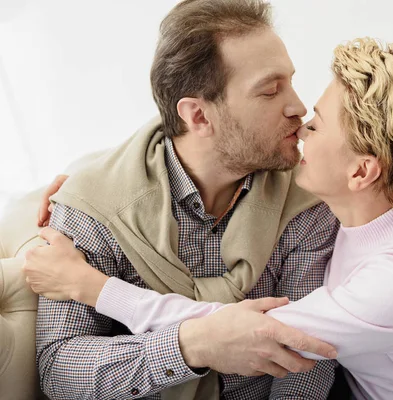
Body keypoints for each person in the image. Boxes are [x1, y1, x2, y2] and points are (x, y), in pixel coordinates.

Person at [27, 35, 393, 399]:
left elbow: (241, 334)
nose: (298, 118)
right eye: (274, 90)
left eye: (316, 126)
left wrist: (91, 287)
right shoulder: (385, 200)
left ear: (362, 172)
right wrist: (84, 185)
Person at [26, 0, 343, 399]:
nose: (299, 107)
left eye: (291, 81)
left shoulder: (310, 204)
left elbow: (306, 366)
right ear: (198, 116)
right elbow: (60, 372)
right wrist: (191, 346)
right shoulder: (95, 208)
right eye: (270, 90)